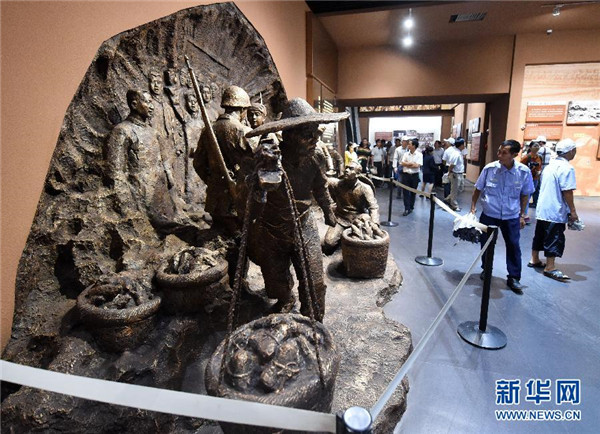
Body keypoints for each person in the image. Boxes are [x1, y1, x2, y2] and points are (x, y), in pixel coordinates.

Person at [245, 98, 346, 321]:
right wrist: (259, 181)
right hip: (273, 226)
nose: (315, 139)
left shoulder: (315, 157)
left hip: (304, 223)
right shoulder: (271, 159)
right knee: (275, 276)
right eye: (307, 134)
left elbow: (320, 187)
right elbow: (252, 197)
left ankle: (313, 316)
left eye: (316, 133)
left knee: (313, 277)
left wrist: (329, 210)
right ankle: (285, 299)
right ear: (289, 136)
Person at [470, 139, 535, 294]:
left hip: (511, 216)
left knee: (513, 245)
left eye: (504, 153)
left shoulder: (523, 172)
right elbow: (478, 188)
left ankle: (514, 277)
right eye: (499, 151)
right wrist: (473, 207)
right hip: (489, 214)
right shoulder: (490, 169)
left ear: (514, 154)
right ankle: (486, 269)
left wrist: (522, 215)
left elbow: (525, 194)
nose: (499, 155)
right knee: (486, 244)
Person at [193, 85, 254, 234]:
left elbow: (198, 163)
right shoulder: (243, 131)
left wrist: (213, 181)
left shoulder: (208, 130)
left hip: (215, 198)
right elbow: (257, 165)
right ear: (243, 109)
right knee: (239, 237)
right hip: (237, 199)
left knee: (218, 234)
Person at [529, 138, 579, 282]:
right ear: (571, 151)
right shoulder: (567, 168)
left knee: (540, 234)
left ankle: (534, 259)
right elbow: (567, 191)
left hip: (543, 208)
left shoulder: (550, 166)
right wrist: (573, 212)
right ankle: (550, 267)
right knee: (554, 237)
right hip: (555, 209)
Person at [322, 162, 379, 254]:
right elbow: (323, 181)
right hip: (341, 218)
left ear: (357, 174)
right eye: (346, 168)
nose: (346, 170)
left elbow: (373, 207)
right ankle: (343, 236)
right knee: (329, 243)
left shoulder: (365, 188)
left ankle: (350, 235)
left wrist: (375, 223)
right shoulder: (337, 184)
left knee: (361, 244)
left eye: (351, 169)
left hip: (358, 218)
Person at [520, 141, 542, 223]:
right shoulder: (527, 157)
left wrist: (539, 171)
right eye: (535, 146)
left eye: (538, 146)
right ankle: (524, 215)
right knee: (526, 196)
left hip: (535, 178)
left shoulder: (539, 157)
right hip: (527, 179)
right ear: (530, 147)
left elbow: (540, 167)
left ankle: (523, 213)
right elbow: (520, 167)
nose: (537, 147)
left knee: (529, 196)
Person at [400, 138, 423, 216]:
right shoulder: (406, 154)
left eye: (409, 144)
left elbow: (417, 165)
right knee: (405, 192)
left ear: (414, 146)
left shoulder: (419, 155)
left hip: (414, 176)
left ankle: (411, 207)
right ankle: (406, 208)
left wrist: (407, 164)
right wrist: (411, 163)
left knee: (413, 192)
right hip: (406, 175)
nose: (408, 145)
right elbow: (402, 163)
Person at [444, 137, 465, 212]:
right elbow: (452, 164)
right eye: (463, 144)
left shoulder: (459, 152)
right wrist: (449, 172)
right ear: (461, 145)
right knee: (454, 190)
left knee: (460, 188)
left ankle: (448, 198)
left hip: (460, 173)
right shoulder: (456, 154)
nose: (464, 146)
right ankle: (454, 205)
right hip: (455, 174)